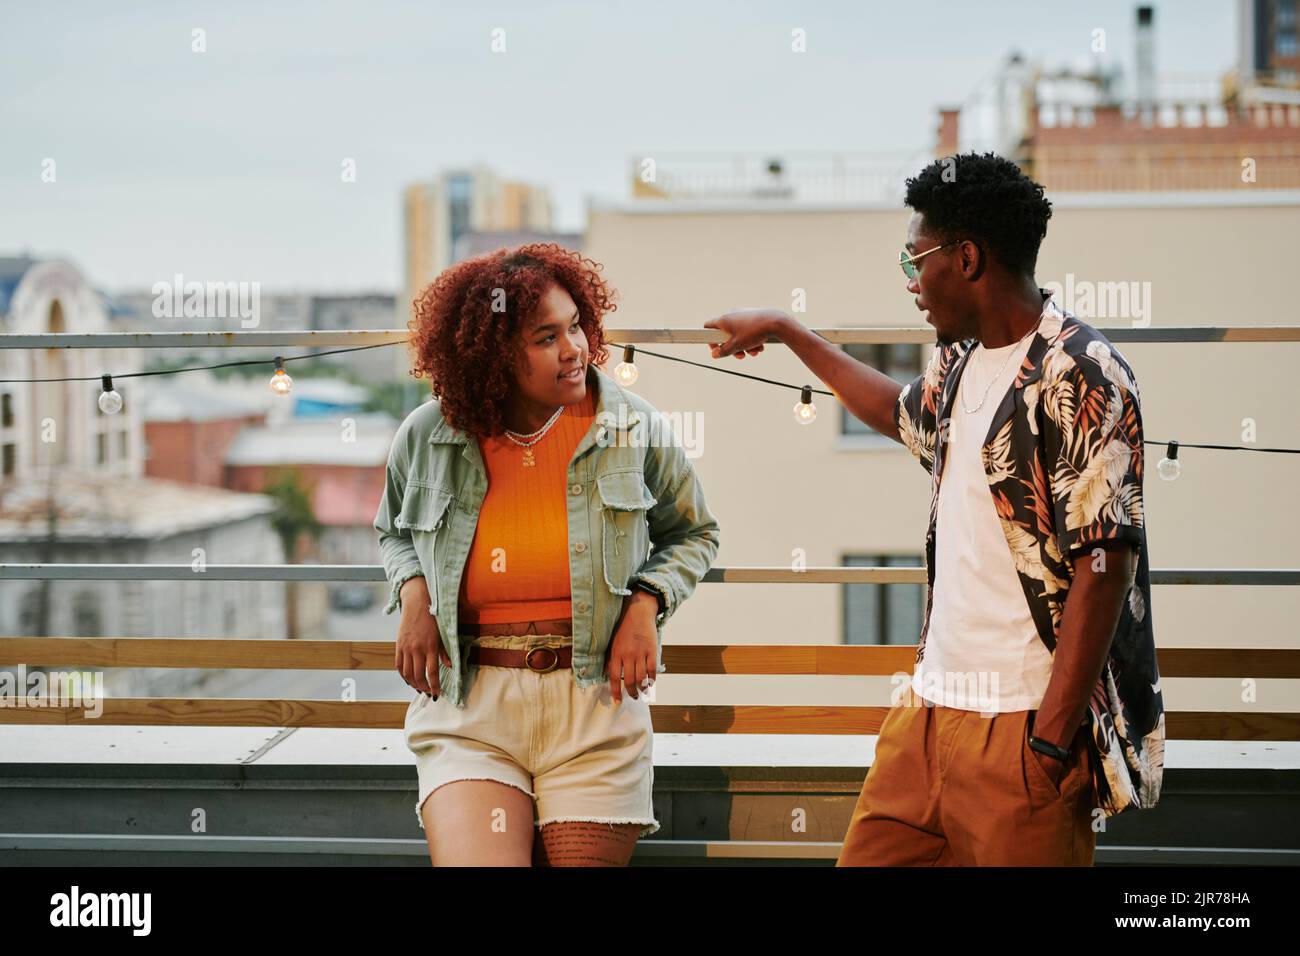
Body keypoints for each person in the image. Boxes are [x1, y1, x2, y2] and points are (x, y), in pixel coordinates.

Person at [703, 152, 1163, 866]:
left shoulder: (1079, 371)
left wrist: (1049, 736)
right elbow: (900, 412)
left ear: (968, 258)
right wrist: (792, 333)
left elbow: (1104, 565)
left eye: (914, 259)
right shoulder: (960, 359)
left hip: (1018, 727)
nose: (911, 282)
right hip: (924, 716)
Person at [375, 243, 720, 867]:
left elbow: (694, 533)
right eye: (546, 337)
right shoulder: (428, 435)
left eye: (576, 326)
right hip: (468, 707)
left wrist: (647, 605)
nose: (576, 348)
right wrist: (414, 595)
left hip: (594, 707)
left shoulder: (632, 428)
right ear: (493, 357)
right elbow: (392, 532)